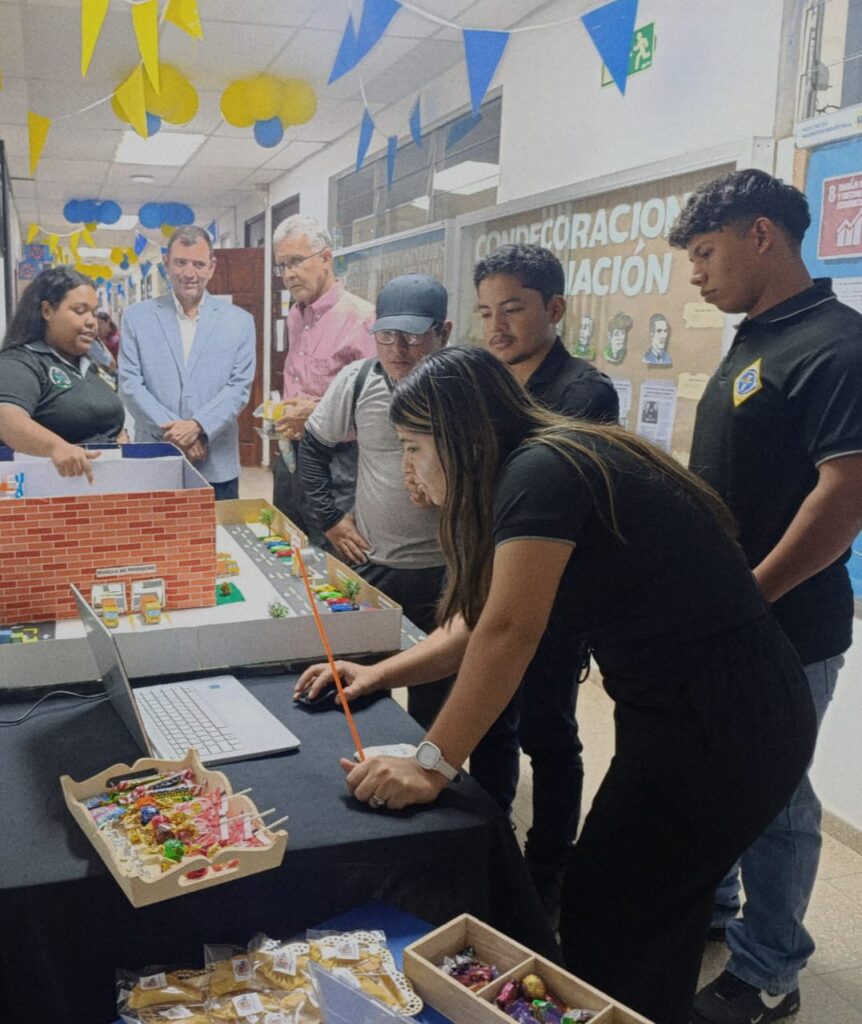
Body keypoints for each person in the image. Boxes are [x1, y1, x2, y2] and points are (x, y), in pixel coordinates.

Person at [294, 345, 816, 1024]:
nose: (409, 470)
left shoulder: (540, 472)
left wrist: (430, 764)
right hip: (704, 710)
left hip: (722, 721)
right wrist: (379, 673)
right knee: (642, 907)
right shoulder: (541, 460)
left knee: (616, 912)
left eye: (414, 447)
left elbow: (509, 631)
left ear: (460, 437)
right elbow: (480, 620)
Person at [669, 169, 862, 1024]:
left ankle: (771, 971)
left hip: (784, 625)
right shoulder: (758, 337)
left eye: (706, 253)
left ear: (761, 236)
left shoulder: (838, 346)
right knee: (719, 771)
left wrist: (748, 600)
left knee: (776, 795)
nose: (695, 274)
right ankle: (715, 910)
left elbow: (844, 498)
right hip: (728, 615)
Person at [471, 242, 619, 923]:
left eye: (512, 310)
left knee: (549, 733)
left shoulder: (583, 392)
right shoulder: (489, 380)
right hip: (491, 576)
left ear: (554, 309)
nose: (496, 327)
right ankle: (489, 841)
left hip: (554, 595)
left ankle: (548, 865)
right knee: (489, 723)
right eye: (484, 312)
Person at [298, 274, 451, 727]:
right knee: (356, 696)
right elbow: (313, 448)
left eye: (413, 336)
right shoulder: (359, 380)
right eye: (386, 335)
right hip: (373, 566)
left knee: (434, 705)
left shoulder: (461, 389)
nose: (398, 349)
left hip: (446, 573)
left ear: (442, 333)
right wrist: (330, 518)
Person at [119, 225, 255, 500]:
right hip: (154, 459)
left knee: (218, 529)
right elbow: (130, 385)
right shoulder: (136, 318)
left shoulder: (239, 321)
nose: (189, 273)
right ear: (166, 263)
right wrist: (177, 433)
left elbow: (239, 387)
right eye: (180, 262)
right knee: (154, 528)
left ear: (212, 267)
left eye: (198, 264)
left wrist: (198, 427)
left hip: (216, 461)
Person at [271, 214, 375, 540]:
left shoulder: (362, 318)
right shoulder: (295, 315)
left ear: (326, 258)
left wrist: (317, 414)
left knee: (332, 552)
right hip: (291, 453)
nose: (288, 274)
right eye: (282, 265)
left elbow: (376, 407)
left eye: (296, 261)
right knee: (286, 543)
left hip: (337, 460)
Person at [0, 266, 126, 481]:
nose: (91, 322)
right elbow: (7, 419)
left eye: (94, 313)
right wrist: (56, 448)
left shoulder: (90, 367)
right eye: (80, 311)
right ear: (47, 311)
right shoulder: (20, 362)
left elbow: (111, 422)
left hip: (108, 484)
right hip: (49, 487)